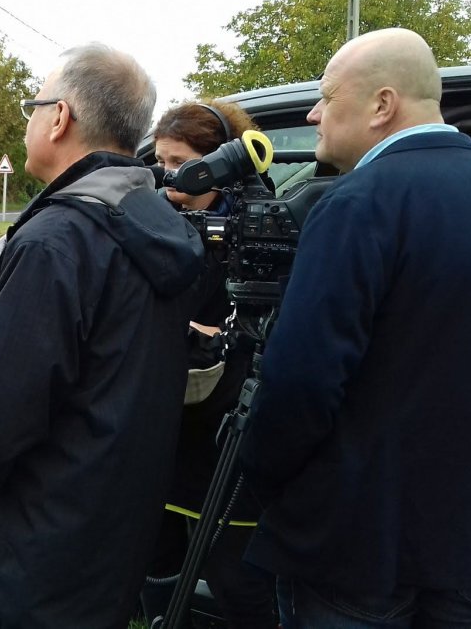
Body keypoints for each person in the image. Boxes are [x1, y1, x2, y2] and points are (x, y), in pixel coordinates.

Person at [239, 27, 471, 628]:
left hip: (358, 544)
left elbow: (300, 379)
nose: (314, 113)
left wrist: (266, 477)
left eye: (327, 96)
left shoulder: (357, 204)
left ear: (382, 104)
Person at [0, 43, 205, 628]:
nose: (29, 119)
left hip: (37, 558)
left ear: (59, 118)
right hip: (112, 546)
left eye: (33, 105)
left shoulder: (56, 242)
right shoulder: (159, 224)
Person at [140, 101, 277, 629]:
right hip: (163, 429)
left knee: (234, 577)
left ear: (218, 162)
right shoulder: (152, 219)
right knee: (155, 560)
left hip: (224, 434)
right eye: (161, 160)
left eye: (181, 162)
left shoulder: (255, 228)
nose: (168, 174)